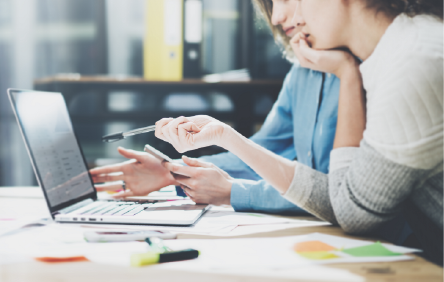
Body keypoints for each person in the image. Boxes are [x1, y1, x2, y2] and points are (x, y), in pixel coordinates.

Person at [155, 0, 444, 265]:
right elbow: (346, 197)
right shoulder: (396, 52)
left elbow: (353, 211)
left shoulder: (412, 62)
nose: (280, 16)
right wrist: (219, 139)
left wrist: (346, 75)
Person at [91, 0, 341, 215]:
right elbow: (259, 154)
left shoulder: (359, 73)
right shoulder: (302, 72)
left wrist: (233, 192)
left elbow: (338, 196)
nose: (276, 17)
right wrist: (174, 171)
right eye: (271, 3)